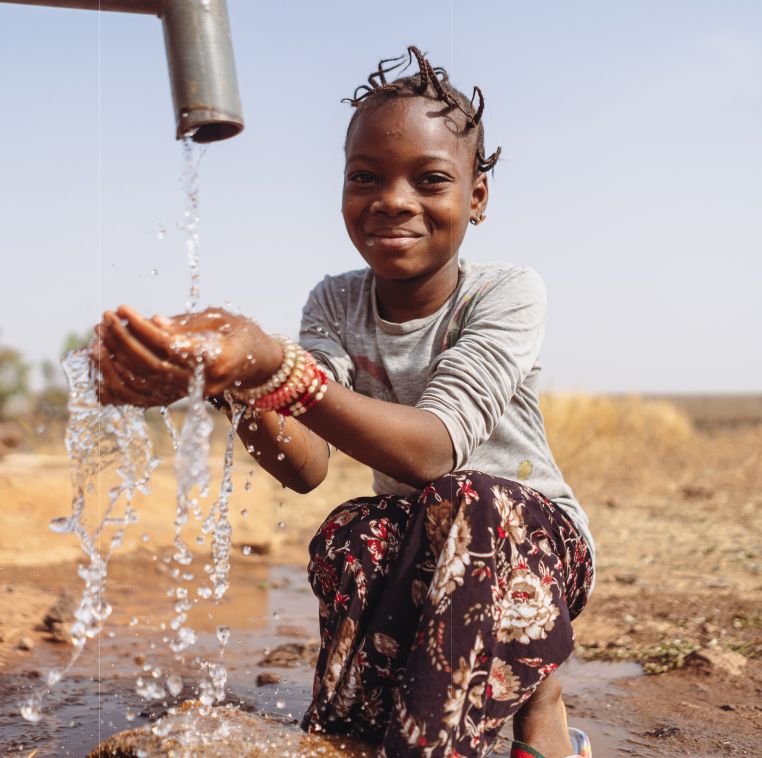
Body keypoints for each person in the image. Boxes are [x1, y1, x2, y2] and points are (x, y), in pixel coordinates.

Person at [92, 46, 594, 758]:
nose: (393, 199)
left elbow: (430, 450)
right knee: (354, 528)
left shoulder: (505, 292)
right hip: (425, 545)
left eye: (430, 179)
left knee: (473, 498)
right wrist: (230, 384)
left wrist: (275, 363)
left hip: (535, 549)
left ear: (475, 199)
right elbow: (305, 465)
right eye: (366, 177)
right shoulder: (334, 300)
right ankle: (358, 735)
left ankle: (530, 720)